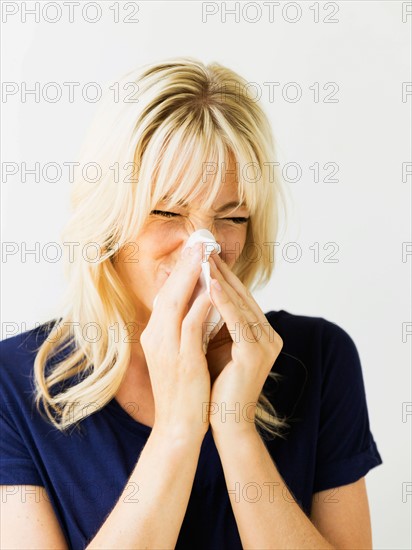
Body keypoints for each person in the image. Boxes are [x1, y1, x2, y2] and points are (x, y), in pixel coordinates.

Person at [0, 57, 383, 549]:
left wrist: (235, 428)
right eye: (166, 212)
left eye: (232, 217)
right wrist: (178, 429)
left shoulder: (319, 358)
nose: (203, 246)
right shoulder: (17, 384)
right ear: (109, 223)